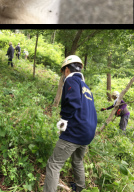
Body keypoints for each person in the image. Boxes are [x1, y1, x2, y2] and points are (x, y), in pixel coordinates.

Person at [43, 55, 96, 192]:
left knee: (54, 164)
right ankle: (80, 188)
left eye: (63, 73)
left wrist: (64, 119)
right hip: (88, 132)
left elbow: (73, 101)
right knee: (77, 160)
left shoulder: (71, 80)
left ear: (67, 70)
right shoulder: (86, 87)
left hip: (76, 130)